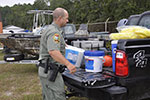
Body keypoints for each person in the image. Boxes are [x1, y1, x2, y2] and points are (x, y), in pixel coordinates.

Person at [38, 7, 76, 100]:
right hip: (50, 71)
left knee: (48, 96)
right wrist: (68, 64)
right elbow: (53, 52)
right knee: (57, 96)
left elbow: (51, 45)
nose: (67, 21)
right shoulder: (54, 32)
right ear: (59, 18)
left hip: (46, 69)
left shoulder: (49, 29)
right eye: (66, 18)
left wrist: (62, 44)